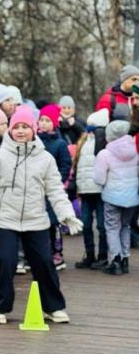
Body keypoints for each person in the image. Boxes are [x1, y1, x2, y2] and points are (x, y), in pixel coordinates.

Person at [0, 105, 83, 325]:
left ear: (33, 129)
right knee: (6, 260)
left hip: (35, 220)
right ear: (10, 130)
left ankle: (53, 307)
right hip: (4, 218)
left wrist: (66, 214)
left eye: (25, 127)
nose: (20, 131)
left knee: (43, 261)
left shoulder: (45, 159)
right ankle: (0, 307)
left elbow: (55, 190)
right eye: (16, 127)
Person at [94, 120, 139, 275]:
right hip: (132, 197)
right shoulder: (136, 149)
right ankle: (126, 258)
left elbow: (99, 179)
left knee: (112, 227)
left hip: (112, 197)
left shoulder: (104, 154)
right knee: (125, 226)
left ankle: (115, 260)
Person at [72, 109, 109, 269]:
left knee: (101, 225)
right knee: (86, 224)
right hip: (85, 189)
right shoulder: (83, 141)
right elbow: (78, 165)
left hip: (100, 190)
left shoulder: (104, 141)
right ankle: (90, 254)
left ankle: (102, 256)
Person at [37, 104, 72, 271]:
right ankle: (40, 253)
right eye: (41, 120)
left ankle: (57, 253)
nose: (43, 123)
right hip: (35, 189)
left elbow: (66, 165)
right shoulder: (34, 142)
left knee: (53, 223)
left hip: (52, 189)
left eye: (47, 120)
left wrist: (58, 182)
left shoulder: (60, 144)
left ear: (54, 123)